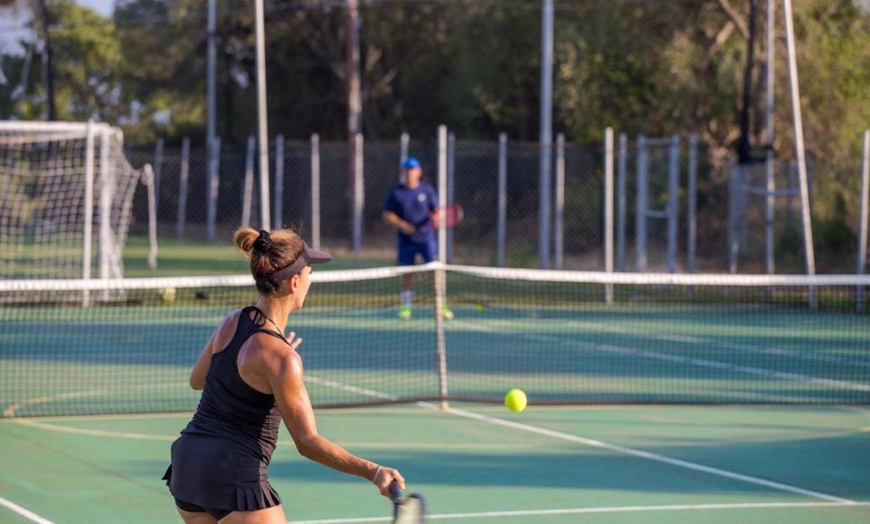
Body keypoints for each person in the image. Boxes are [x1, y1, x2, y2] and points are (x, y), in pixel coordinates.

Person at [163, 227, 404, 524]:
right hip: (232, 474)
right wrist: (374, 471)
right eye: (309, 274)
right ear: (294, 282)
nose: (310, 281)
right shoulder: (282, 359)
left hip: (188, 468)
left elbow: (198, 380)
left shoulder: (232, 322)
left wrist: (265, 370)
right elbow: (308, 442)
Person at [382, 156, 453, 320]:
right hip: (406, 242)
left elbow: (438, 211)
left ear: (419, 172)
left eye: (413, 170)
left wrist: (436, 217)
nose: (410, 173)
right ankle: (406, 307)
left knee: (433, 273)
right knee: (407, 274)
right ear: (403, 172)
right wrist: (402, 225)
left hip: (426, 240)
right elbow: (387, 214)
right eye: (407, 170)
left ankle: (440, 305)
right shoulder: (396, 192)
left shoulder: (427, 191)